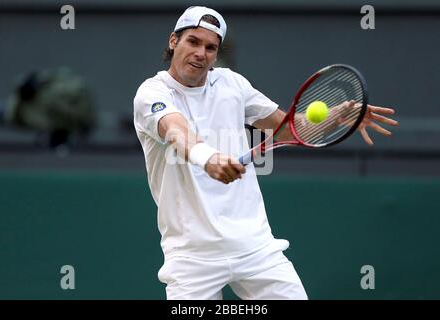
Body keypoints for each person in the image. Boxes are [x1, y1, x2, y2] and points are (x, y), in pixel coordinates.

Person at [133, 6, 398, 300]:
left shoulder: (232, 84)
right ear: (174, 41)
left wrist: (336, 115)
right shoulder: (152, 93)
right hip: (192, 256)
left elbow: (288, 129)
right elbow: (175, 131)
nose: (201, 53)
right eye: (193, 42)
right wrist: (207, 158)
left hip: (255, 247)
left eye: (210, 47)